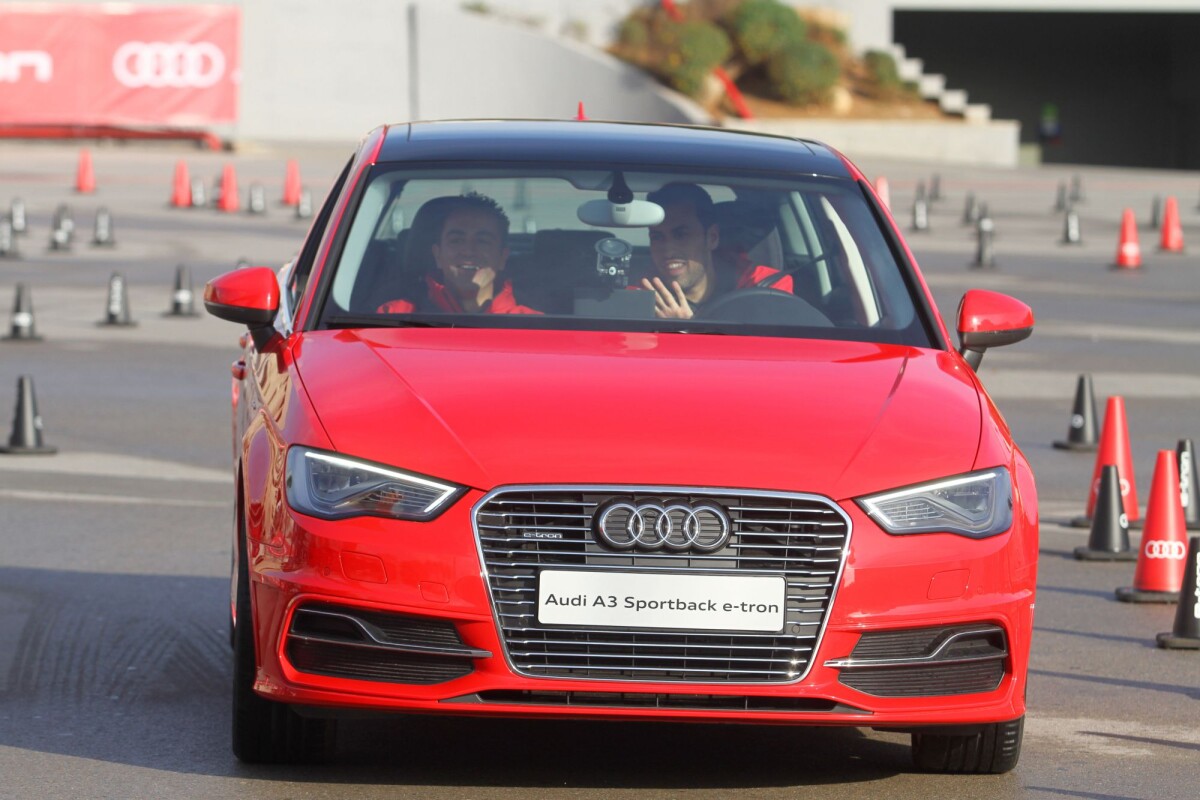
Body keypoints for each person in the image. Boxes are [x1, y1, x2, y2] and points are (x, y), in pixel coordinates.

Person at [640, 183, 791, 320]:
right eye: (657, 237)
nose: (668, 250)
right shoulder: (638, 295)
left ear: (712, 238)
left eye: (681, 235)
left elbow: (771, 348)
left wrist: (685, 330)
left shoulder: (763, 287)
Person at [378, 193, 539, 315]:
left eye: (483, 241)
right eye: (456, 240)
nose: (469, 251)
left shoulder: (537, 327)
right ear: (437, 255)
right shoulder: (393, 316)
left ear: (503, 257)